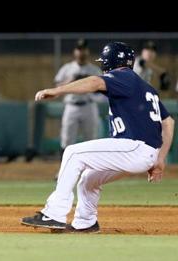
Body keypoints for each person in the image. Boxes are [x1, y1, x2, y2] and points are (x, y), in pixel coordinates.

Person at [21, 42, 174, 233]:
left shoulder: (123, 76)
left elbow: (94, 82)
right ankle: (86, 222)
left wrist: (57, 91)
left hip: (134, 147)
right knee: (88, 179)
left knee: (73, 152)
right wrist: (160, 159)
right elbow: (168, 122)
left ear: (111, 61)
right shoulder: (146, 87)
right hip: (141, 152)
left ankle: (54, 214)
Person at [53, 39, 102, 179]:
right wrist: (71, 80)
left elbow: (102, 88)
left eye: (84, 49)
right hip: (71, 106)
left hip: (89, 105)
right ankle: (63, 170)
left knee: (91, 140)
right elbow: (57, 87)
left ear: (87, 51)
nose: (81, 52)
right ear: (75, 51)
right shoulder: (67, 68)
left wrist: (89, 82)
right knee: (67, 140)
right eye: (79, 49)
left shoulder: (94, 69)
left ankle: (90, 171)